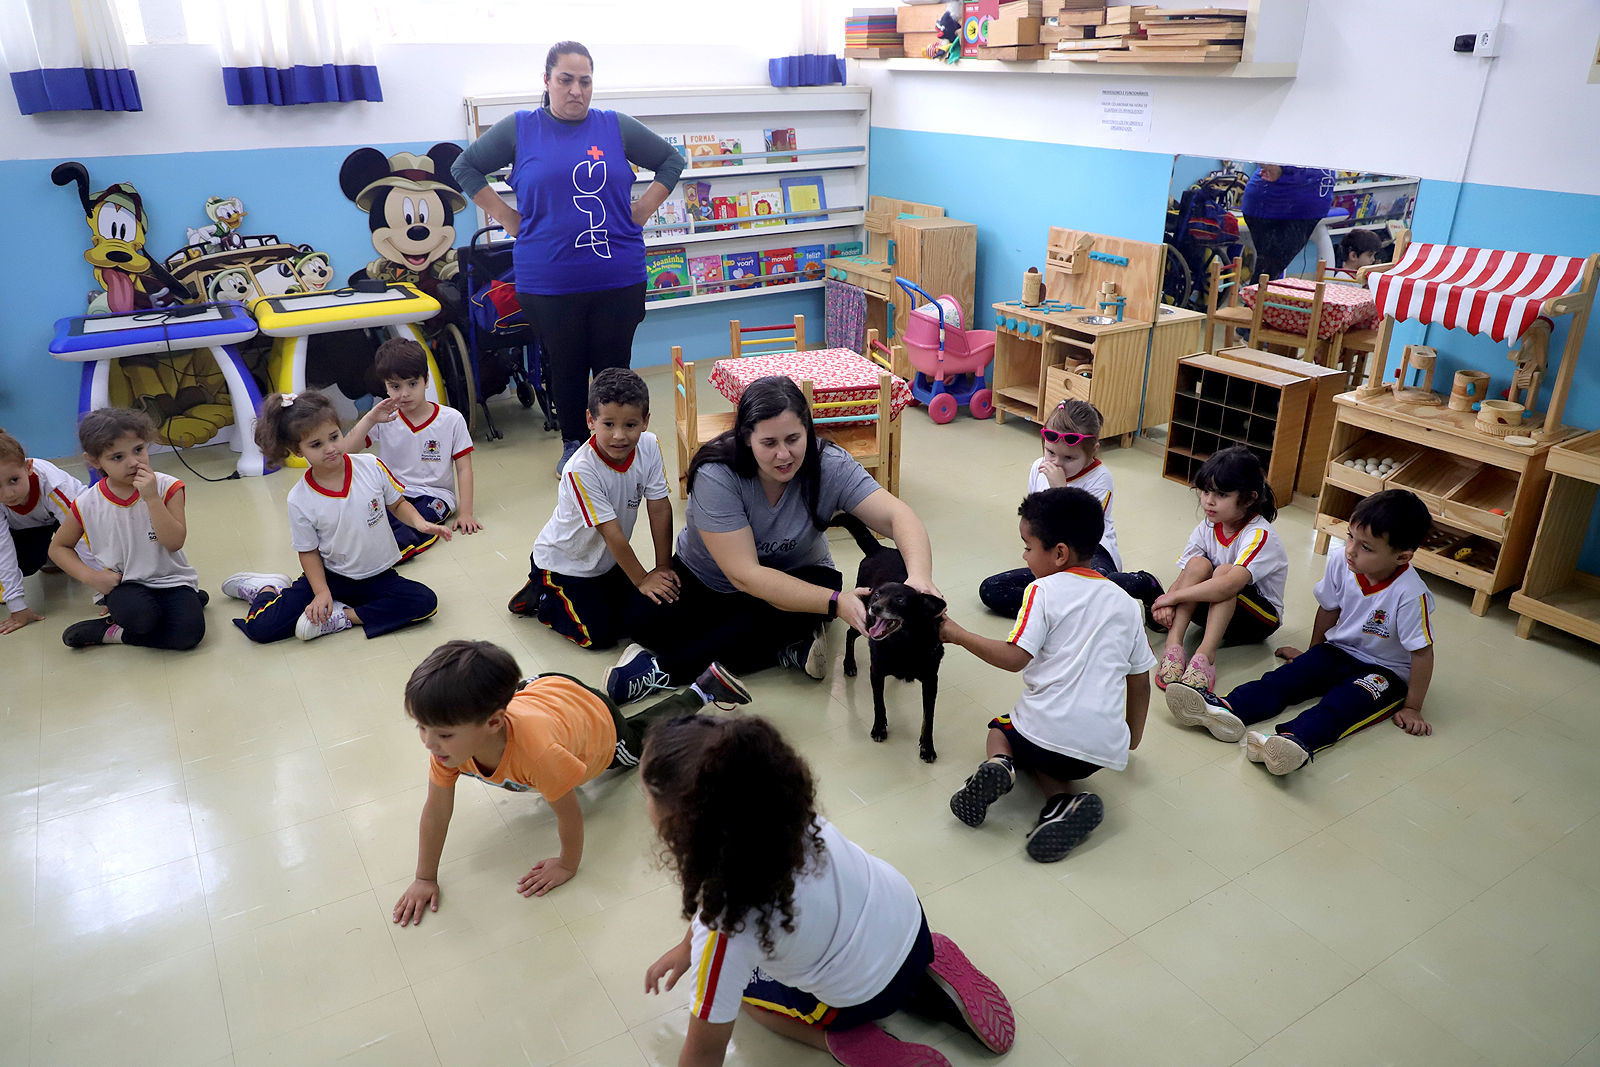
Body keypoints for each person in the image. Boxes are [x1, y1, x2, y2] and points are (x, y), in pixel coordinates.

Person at [640, 714, 1015, 1067]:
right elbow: (715, 894)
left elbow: (704, 1055)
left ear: (681, 823)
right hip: (912, 924)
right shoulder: (788, 815)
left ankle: (840, 1041)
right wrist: (685, 947)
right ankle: (926, 969)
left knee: (741, 996)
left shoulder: (727, 931)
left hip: (861, 997)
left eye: (647, 795)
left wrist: (699, 955)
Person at [608, 376, 939, 704]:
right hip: (712, 579)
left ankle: (662, 670)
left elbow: (899, 516)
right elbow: (745, 575)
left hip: (799, 575)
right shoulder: (717, 474)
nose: (784, 455)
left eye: (794, 438)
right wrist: (836, 603)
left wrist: (920, 577)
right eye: (769, 443)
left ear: (808, 429)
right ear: (746, 437)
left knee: (770, 617)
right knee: (643, 621)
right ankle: (785, 645)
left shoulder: (829, 464)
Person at [451, 40, 687, 476]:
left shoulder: (614, 126)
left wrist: (641, 211)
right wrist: (506, 216)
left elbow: (671, 161)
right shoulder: (521, 128)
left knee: (615, 367)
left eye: (585, 81)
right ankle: (574, 444)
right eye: (565, 80)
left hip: (618, 274)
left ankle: (618, 442)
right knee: (565, 364)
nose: (576, 90)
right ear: (547, 81)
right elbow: (464, 167)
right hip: (549, 280)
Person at [392, 639, 750, 922]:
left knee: (642, 745)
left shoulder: (539, 755)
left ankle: (701, 690)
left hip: (595, 722)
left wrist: (566, 864)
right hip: (548, 689)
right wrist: (425, 877)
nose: (428, 742)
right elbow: (437, 811)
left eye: (442, 733)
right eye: (421, 727)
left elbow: (569, 814)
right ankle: (628, 681)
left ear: (493, 723)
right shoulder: (449, 750)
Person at [943, 488, 1154, 862]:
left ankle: (999, 765)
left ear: (1058, 553)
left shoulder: (1042, 589)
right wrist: (1132, 737)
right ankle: (1062, 803)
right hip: (1100, 751)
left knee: (1002, 728)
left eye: (1028, 546)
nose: (1023, 556)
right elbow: (1139, 678)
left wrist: (957, 635)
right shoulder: (1124, 603)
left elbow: (1014, 658)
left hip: (1040, 734)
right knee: (1050, 755)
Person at [1165, 489, 1436, 775]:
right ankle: (1227, 709)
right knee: (1287, 679)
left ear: (1402, 557)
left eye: (1367, 547)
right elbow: (1329, 609)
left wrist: (1413, 707)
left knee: (1343, 705)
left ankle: (1294, 741)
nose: (1351, 550)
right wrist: (1313, 654)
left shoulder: (1411, 594)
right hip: (1338, 652)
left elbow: (1422, 652)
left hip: (1385, 671)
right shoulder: (1343, 563)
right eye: (1351, 536)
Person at [225, 392, 450, 643]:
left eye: (334, 437)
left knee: (425, 602)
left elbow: (398, 504)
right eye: (316, 444)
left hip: (378, 577)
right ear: (297, 451)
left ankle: (343, 617)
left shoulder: (371, 465)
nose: (330, 448)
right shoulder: (299, 499)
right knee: (261, 629)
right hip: (329, 577)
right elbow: (308, 551)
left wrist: (421, 523)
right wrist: (322, 593)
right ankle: (267, 589)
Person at [509, 368, 677, 649]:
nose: (619, 436)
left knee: (638, 620)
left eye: (630, 425)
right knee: (599, 637)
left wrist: (662, 567)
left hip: (605, 562)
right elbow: (612, 533)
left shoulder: (649, 446)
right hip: (564, 565)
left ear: (646, 421)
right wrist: (642, 579)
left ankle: (577, 596)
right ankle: (544, 595)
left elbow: (659, 508)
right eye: (608, 424)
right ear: (591, 420)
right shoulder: (581, 469)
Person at [977, 400, 1162, 619]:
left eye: (1069, 458)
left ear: (1093, 451)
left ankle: (1143, 583)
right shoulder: (1039, 468)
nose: (1057, 463)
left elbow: (1084, 532)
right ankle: (1069, 607)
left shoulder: (1100, 478)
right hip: (1053, 555)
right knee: (991, 589)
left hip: (1090, 554)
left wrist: (1060, 491)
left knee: (1094, 586)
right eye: (1051, 452)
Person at [47, 408, 207, 650]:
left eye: (138, 450)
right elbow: (59, 548)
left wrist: (152, 499)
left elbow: (174, 542)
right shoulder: (87, 502)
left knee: (188, 636)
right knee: (141, 620)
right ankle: (114, 628)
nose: (134, 462)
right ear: (93, 461)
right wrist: (92, 577)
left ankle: (115, 634)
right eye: (117, 457)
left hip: (172, 580)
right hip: (125, 583)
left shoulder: (168, 487)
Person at [1152, 445, 1287, 693]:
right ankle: (1174, 645)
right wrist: (1167, 603)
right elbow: (1186, 575)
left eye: (1221, 494)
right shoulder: (1208, 526)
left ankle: (1206, 656)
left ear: (1248, 498)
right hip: (1214, 607)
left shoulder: (1260, 534)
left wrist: (1173, 596)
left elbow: (1229, 585)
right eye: (1205, 492)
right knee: (1197, 564)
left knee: (1225, 572)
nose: (1209, 501)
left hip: (1258, 620)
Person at [348, 337, 481, 563]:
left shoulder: (451, 419)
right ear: (386, 387)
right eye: (395, 387)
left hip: (435, 496)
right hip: (392, 495)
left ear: (426, 380)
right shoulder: (384, 419)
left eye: (412, 384)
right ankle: (359, 557)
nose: (405, 393)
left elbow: (464, 469)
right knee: (368, 521)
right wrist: (369, 418)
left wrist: (465, 512)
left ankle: (388, 558)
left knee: (417, 524)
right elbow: (346, 451)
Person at [0, 427, 99, 634]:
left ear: (28, 467)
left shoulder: (53, 484)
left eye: (14, 480)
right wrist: (17, 606)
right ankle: (52, 554)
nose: (8, 494)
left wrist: (104, 588)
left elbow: (83, 534)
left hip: (75, 516)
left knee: (99, 538)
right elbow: (4, 549)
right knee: (26, 565)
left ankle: (62, 552)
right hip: (28, 528)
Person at [1241, 163, 1335, 281]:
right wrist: (1271, 167)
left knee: (1269, 271)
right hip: (1280, 205)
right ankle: (1254, 297)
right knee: (1267, 272)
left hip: (1299, 206)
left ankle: (1256, 296)